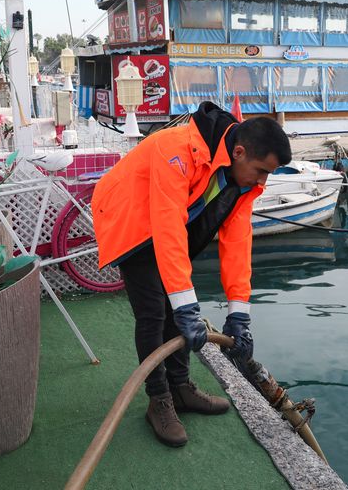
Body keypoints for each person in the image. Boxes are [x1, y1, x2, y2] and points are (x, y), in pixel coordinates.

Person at [92, 101, 292, 447]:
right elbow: (166, 226)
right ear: (240, 152)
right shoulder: (175, 149)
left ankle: (181, 388)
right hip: (129, 217)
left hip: (167, 223)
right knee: (155, 311)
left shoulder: (242, 179)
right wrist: (187, 307)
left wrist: (239, 315)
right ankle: (159, 400)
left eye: (268, 175)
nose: (262, 181)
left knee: (176, 307)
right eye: (261, 171)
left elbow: (238, 244)